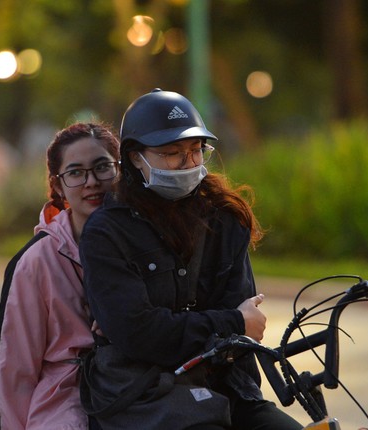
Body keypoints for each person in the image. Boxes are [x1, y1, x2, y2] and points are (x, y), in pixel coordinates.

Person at [78, 89, 302, 430]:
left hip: (227, 390)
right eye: (171, 153)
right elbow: (138, 333)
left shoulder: (225, 217)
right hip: (145, 396)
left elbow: (239, 330)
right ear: (136, 158)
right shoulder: (107, 232)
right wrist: (231, 322)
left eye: (196, 150)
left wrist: (225, 326)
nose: (189, 163)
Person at [0, 122, 121, 430]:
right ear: (57, 184)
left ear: (120, 170)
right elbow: (16, 371)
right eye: (75, 172)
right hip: (64, 405)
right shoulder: (36, 261)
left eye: (102, 167)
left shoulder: (146, 242)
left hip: (138, 391)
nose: (91, 182)